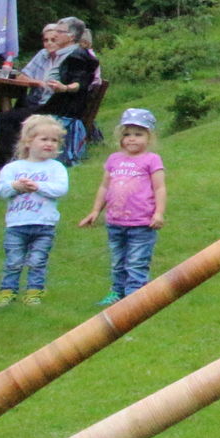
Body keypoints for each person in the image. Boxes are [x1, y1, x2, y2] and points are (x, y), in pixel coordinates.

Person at [79, 107, 167, 306]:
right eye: (127, 134)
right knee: (118, 261)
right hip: (115, 222)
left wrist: (159, 213)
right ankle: (117, 292)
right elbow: (104, 186)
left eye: (138, 134)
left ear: (149, 137)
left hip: (141, 223)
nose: (131, 139)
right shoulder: (114, 159)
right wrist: (95, 211)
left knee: (136, 261)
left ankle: (134, 298)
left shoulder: (151, 160)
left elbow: (159, 188)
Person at [0, 20, 98, 163]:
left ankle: (12, 160)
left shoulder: (78, 55)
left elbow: (80, 83)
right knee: (14, 113)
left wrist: (65, 87)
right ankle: (16, 157)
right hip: (51, 105)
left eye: (59, 32)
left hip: (60, 109)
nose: (55, 35)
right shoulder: (62, 53)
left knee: (7, 118)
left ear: (71, 37)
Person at [0, 115, 70, 306]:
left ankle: (34, 291)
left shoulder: (56, 167)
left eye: (54, 140)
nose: (49, 144)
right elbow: (1, 191)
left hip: (44, 224)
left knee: (38, 260)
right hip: (16, 225)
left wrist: (38, 186)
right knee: (13, 260)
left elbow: (60, 189)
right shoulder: (13, 168)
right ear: (28, 141)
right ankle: (7, 291)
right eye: (44, 139)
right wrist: (16, 186)